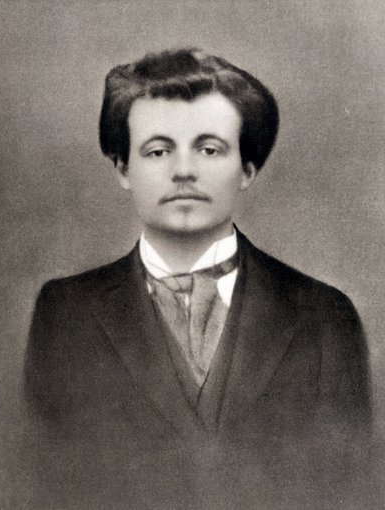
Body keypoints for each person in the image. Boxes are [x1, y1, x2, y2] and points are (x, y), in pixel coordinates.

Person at [23, 48, 372, 508]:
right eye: (158, 150)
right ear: (123, 168)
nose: (184, 171)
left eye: (209, 149)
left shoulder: (324, 316)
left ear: (246, 168)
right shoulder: (65, 313)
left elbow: (351, 490)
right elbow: (41, 484)